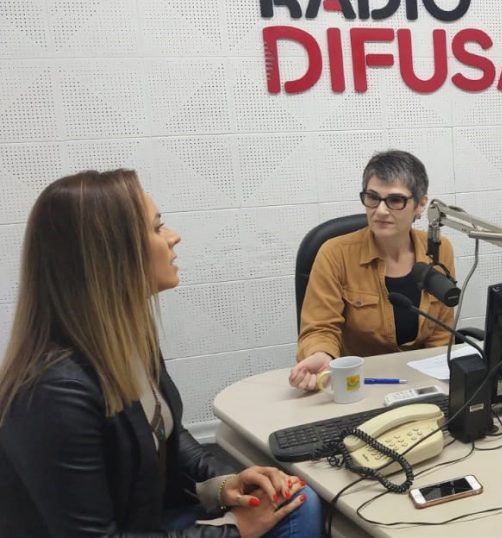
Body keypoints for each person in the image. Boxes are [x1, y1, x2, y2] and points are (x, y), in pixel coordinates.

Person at [0, 170, 321, 537]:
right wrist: (234, 532)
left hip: (148, 518)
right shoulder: (53, 393)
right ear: (111, 255)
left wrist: (223, 482)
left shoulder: (126, 341)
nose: (174, 237)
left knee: (296, 499)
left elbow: (162, 435)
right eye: (157, 228)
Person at [290, 150, 456, 391]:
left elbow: (441, 334)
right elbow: (320, 328)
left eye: (395, 200)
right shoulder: (334, 253)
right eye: (372, 197)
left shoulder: (439, 250)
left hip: (421, 385)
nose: (380, 210)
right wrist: (322, 354)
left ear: (420, 205)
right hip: (357, 384)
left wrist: (436, 386)